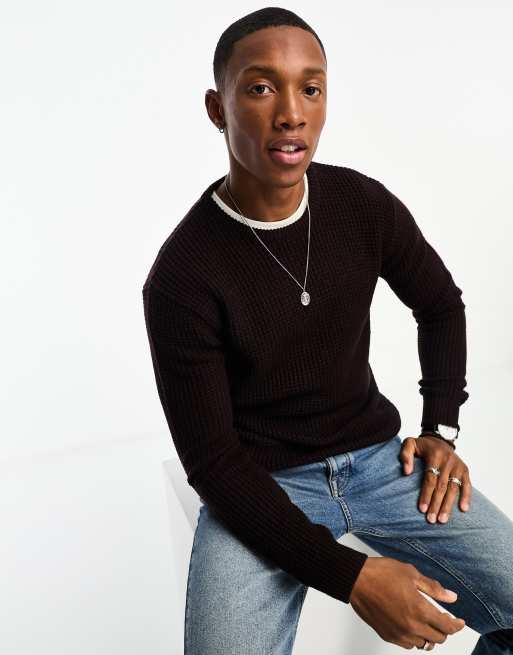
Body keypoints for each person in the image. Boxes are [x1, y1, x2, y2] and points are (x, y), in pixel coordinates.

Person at [142, 7, 513, 654]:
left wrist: (440, 429)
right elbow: (214, 465)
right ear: (216, 108)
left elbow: (439, 303)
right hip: (260, 485)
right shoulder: (183, 274)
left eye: (310, 88)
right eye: (261, 88)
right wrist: (353, 578)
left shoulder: (360, 206)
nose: (291, 113)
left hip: (379, 462)